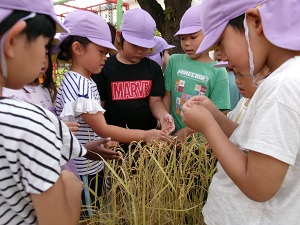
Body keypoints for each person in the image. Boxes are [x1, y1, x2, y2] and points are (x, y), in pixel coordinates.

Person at [180, 0, 300, 224]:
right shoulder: (282, 80)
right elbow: (254, 144)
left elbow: (258, 185)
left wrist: (207, 127)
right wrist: (215, 117)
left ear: (255, 22)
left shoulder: (282, 88)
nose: (220, 56)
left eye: (221, 44)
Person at [0, 0, 117, 224]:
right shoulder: (32, 122)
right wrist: (71, 188)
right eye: (45, 46)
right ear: (13, 41)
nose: (47, 57)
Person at [91, 8, 175, 152]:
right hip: (115, 143)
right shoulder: (104, 68)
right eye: (134, 45)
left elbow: (155, 101)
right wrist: (103, 137)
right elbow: (100, 107)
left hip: (148, 143)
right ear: (119, 36)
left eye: (145, 47)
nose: (140, 51)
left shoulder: (153, 69)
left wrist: (163, 115)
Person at [163, 4, 230, 138]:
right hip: (170, 139)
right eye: (183, 38)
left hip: (198, 147)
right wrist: (165, 122)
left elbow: (220, 114)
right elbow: (167, 96)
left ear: (210, 34)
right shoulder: (174, 61)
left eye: (193, 37)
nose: (187, 43)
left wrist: (186, 132)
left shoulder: (218, 71)